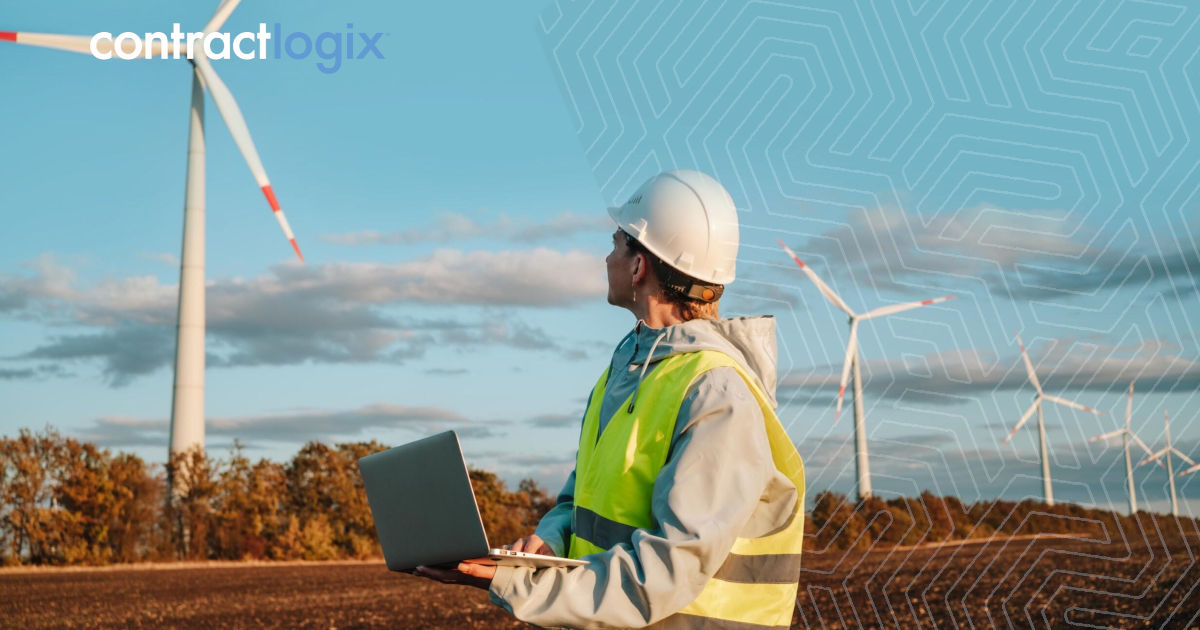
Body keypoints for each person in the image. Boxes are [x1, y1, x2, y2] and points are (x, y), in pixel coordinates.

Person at [415, 169, 805, 629]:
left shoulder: (716, 393)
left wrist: (519, 584)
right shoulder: (624, 373)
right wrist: (549, 543)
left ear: (639, 267)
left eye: (617, 243)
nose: (607, 256)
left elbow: (669, 568)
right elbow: (581, 504)